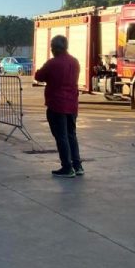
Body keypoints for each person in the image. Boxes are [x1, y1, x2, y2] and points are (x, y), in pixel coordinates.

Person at [34, 35, 83, 177]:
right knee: (71, 135)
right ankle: (77, 165)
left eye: (51, 47)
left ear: (55, 48)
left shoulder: (53, 63)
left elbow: (39, 76)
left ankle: (67, 167)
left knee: (61, 136)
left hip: (57, 104)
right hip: (72, 103)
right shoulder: (74, 61)